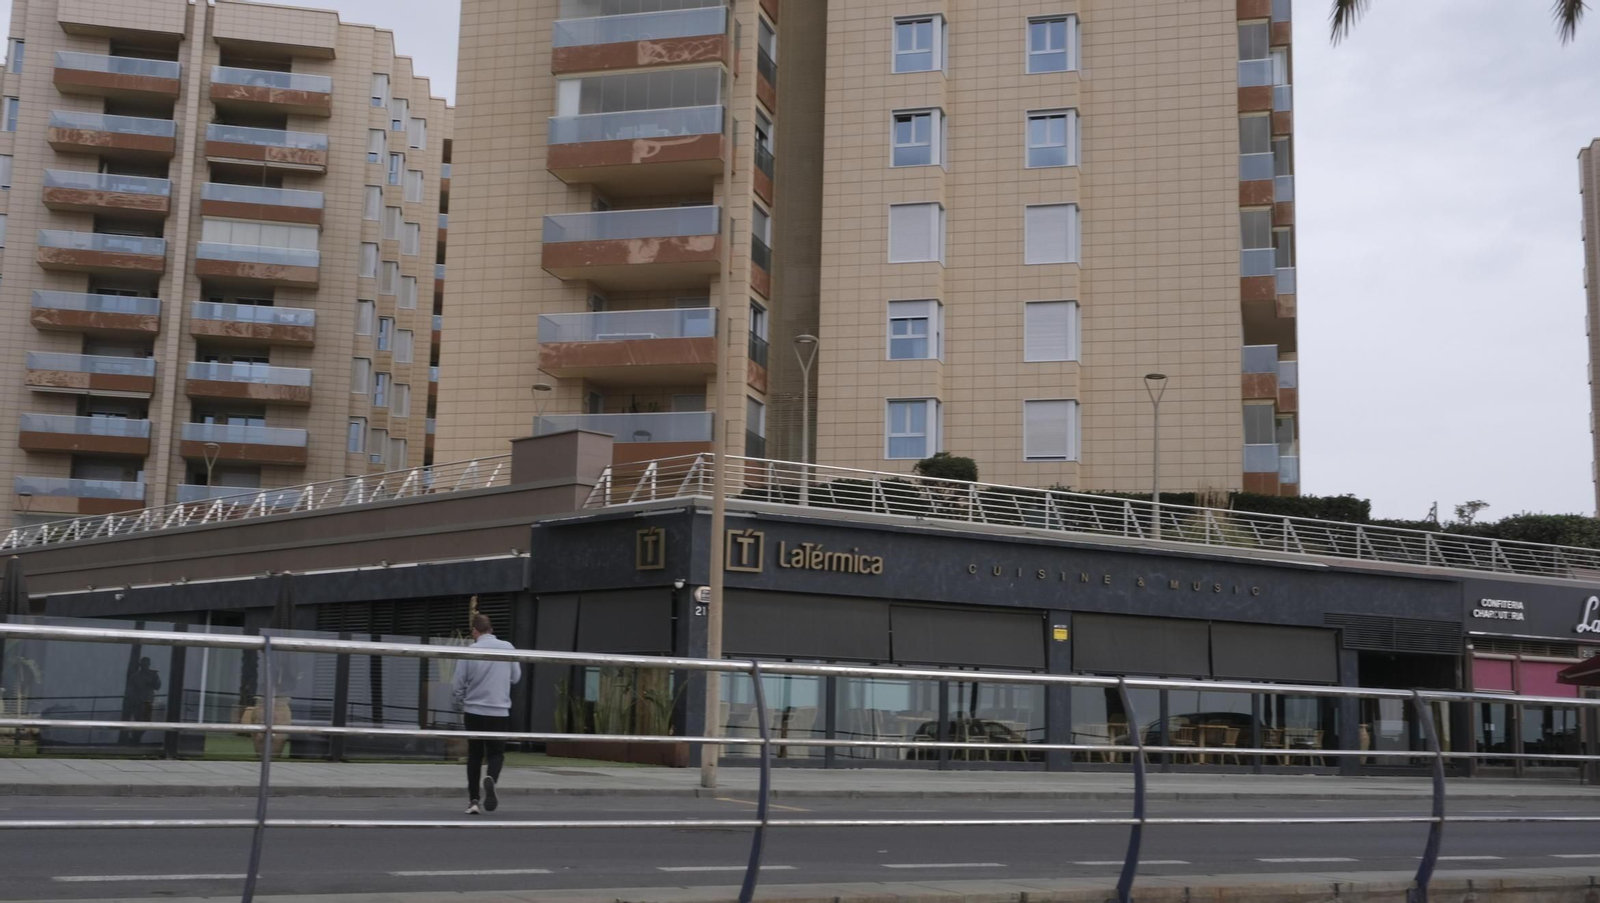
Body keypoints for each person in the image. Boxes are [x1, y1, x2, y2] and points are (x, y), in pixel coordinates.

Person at [451, 613, 520, 814]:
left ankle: (473, 801)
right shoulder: (508, 648)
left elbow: (458, 684)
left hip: (474, 710)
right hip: (499, 711)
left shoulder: (470, 651)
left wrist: (460, 699)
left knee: (474, 755)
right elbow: (516, 678)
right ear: (491, 629)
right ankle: (491, 778)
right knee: (496, 753)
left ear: (475, 630)